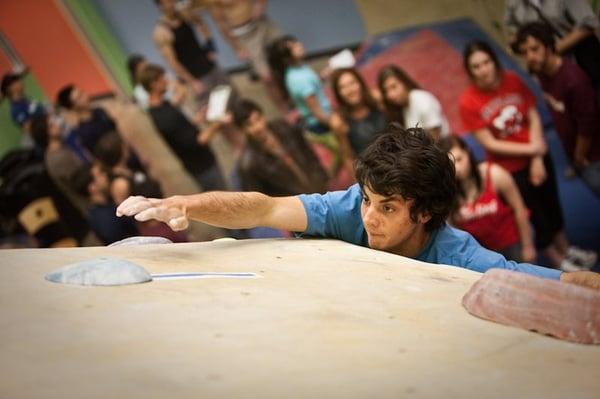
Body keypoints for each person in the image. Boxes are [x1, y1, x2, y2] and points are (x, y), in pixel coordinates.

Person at [116, 125, 600, 289]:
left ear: (424, 211)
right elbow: (261, 208)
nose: (369, 217)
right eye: (369, 200)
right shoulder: (347, 209)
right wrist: (186, 203)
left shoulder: (462, 257)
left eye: (387, 208)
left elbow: (552, 282)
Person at [459, 40, 595, 271]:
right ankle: (558, 262)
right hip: (510, 170)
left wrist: (537, 157)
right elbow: (490, 142)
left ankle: (566, 248)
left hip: (536, 155)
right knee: (534, 214)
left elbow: (531, 114)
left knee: (551, 203)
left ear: (494, 61)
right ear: (470, 71)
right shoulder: (468, 101)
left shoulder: (512, 79)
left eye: (486, 62)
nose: (484, 70)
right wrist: (534, 150)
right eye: (476, 66)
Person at [515, 22, 600, 199]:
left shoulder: (574, 80)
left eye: (535, 48)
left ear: (548, 45)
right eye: (524, 52)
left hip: (592, 155)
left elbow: (588, 124)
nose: (530, 56)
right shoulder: (542, 73)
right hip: (574, 149)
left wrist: (579, 157)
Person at [439, 135, 535, 263]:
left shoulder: (495, 174)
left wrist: (528, 247)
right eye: (451, 164)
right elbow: (454, 230)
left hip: (513, 243)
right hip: (483, 254)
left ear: (467, 152)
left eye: (459, 159)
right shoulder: (448, 192)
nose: (458, 168)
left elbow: (520, 209)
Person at [141, 63, 226, 192]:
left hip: (198, 163)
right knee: (223, 202)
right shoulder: (165, 117)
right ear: (154, 84)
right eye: (163, 79)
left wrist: (199, 117)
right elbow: (199, 140)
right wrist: (217, 123)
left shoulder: (161, 106)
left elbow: (182, 129)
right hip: (202, 166)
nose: (167, 81)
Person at [504, 0, 600, 99]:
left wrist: (554, 49)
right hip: (552, 67)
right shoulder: (513, 3)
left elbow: (589, 23)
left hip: (584, 54)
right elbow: (514, 29)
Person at [231, 98, 328, 196]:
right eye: (250, 124)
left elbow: (309, 154)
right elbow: (261, 199)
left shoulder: (284, 127)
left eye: (258, 119)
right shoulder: (249, 165)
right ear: (242, 129)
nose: (258, 127)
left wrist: (322, 180)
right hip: (294, 206)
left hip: (319, 191)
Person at [207, 0, 285, 108]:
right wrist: (237, 48)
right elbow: (221, 25)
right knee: (267, 77)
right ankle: (285, 110)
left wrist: (260, 5)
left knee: (285, 58)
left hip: (261, 24)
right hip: (244, 36)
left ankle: (294, 99)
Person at [153, 0, 229, 106]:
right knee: (214, 110)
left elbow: (202, 24)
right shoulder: (161, 32)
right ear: (160, 5)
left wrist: (211, 47)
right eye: (168, 1)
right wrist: (192, 82)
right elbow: (172, 62)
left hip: (209, 65)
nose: (173, 3)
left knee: (230, 96)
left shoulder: (185, 14)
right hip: (196, 76)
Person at [330, 68, 386, 174]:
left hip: (399, 160)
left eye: (352, 83)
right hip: (374, 173)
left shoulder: (377, 99)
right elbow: (347, 157)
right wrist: (359, 186)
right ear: (338, 94)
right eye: (343, 87)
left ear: (360, 83)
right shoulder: (339, 121)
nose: (350, 90)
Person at [377, 64, 449, 141]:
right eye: (386, 91)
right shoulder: (402, 107)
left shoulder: (422, 100)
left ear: (404, 82)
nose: (390, 94)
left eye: (394, 87)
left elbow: (435, 138)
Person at [55, 84, 116, 160]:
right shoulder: (84, 132)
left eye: (82, 92)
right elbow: (99, 157)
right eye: (79, 97)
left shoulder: (100, 111)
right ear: (73, 106)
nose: (85, 95)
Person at [1, 70, 46, 138]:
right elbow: (29, 129)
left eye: (19, 79)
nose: (21, 81)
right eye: (17, 81)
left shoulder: (26, 98)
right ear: (10, 88)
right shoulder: (16, 109)